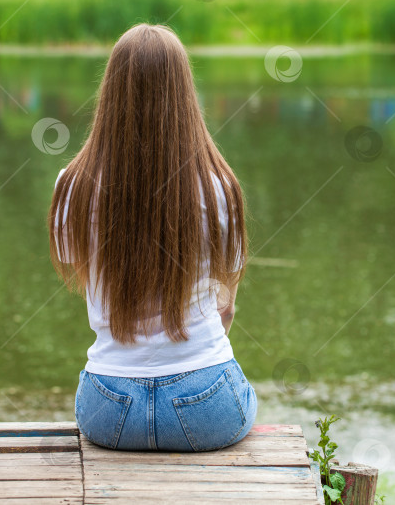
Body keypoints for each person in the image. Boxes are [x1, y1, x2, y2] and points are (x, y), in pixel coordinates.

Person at [48, 23, 257, 452]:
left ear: (110, 91)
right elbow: (227, 306)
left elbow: (82, 270)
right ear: (184, 93)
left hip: (109, 410)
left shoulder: (73, 184)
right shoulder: (219, 186)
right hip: (206, 404)